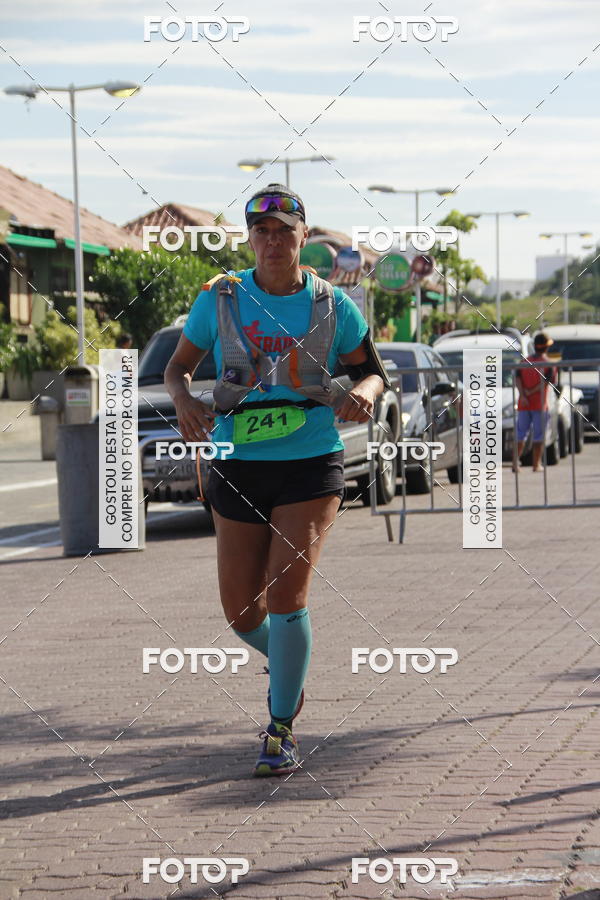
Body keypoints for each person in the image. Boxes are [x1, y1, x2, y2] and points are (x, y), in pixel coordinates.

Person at [164, 184, 389, 776]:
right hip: (236, 459)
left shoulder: (332, 305)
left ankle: (280, 724)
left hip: (311, 461)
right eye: (260, 232)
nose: (271, 242)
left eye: (283, 231)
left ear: (303, 237)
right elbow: (177, 368)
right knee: (241, 611)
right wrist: (183, 399)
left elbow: (372, 373)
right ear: (249, 238)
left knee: (288, 595)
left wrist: (363, 393)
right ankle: (292, 663)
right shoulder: (221, 299)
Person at [514, 332, 557, 472]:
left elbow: (517, 378)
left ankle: (515, 462)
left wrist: (523, 395)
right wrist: (531, 393)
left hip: (523, 404)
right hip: (540, 404)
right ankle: (536, 464)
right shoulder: (548, 364)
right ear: (546, 347)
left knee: (521, 434)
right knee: (539, 435)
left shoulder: (524, 361)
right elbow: (547, 383)